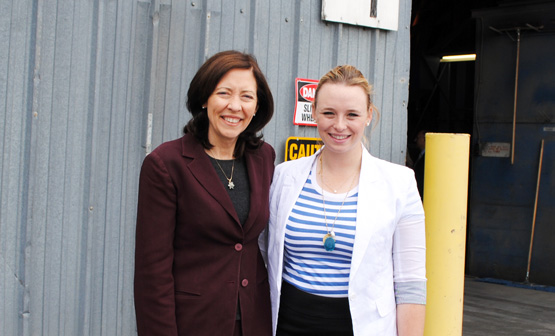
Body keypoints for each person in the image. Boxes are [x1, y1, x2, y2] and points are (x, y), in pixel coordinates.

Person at [264, 65, 426, 335]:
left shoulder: (400, 184)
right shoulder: (283, 176)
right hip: (288, 323)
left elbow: (410, 283)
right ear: (314, 112)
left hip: (361, 327)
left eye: (352, 114)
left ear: (368, 116)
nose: (339, 125)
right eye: (329, 113)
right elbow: (263, 252)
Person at [134, 50, 275, 336]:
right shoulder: (166, 164)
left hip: (254, 321)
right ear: (204, 98)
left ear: (257, 106)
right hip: (194, 324)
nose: (235, 106)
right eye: (224, 93)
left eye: (247, 96)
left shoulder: (264, 157)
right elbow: (153, 273)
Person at [412, 130, 427, 199]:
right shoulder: (419, 155)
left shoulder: (429, 156)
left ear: (425, 139)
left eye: (418, 138)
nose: (415, 140)